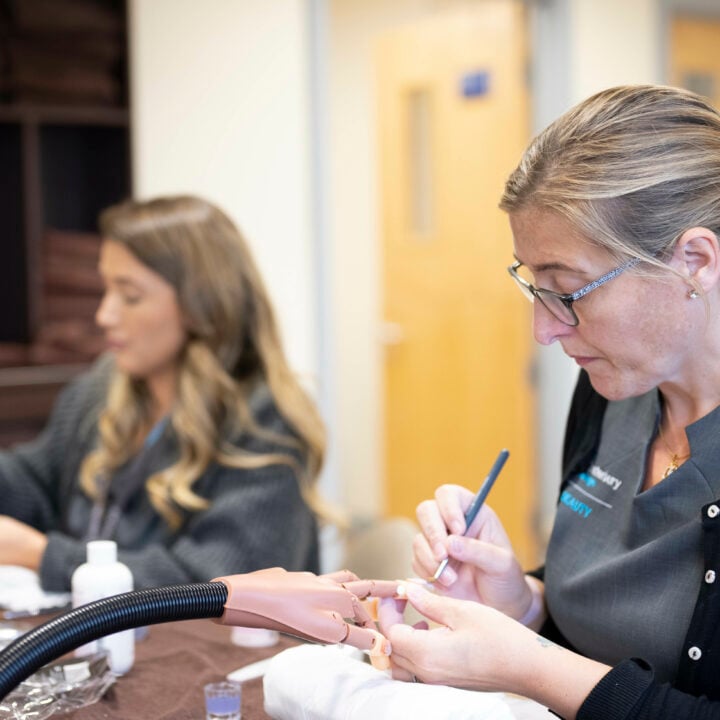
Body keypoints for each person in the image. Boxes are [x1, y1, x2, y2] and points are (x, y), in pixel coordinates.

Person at [378, 84, 720, 719]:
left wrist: (527, 665)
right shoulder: (614, 391)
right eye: (534, 286)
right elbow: (600, 642)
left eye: (568, 290)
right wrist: (521, 603)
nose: (545, 328)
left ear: (694, 261)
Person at [0, 195, 326, 592]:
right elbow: (29, 483)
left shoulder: (268, 420)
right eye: (105, 290)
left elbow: (214, 588)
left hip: (224, 653)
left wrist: (39, 554)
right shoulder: (100, 390)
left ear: (200, 305)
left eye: (130, 296)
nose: (104, 315)